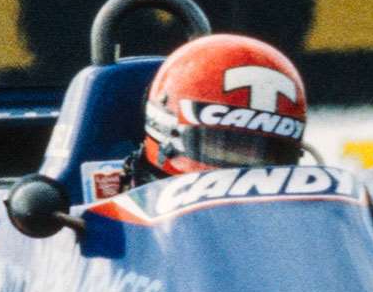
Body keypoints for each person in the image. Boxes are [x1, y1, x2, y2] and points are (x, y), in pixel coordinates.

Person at [122, 32, 309, 187]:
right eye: (226, 147)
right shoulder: (109, 205)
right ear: (164, 129)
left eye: (266, 153)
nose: (241, 174)